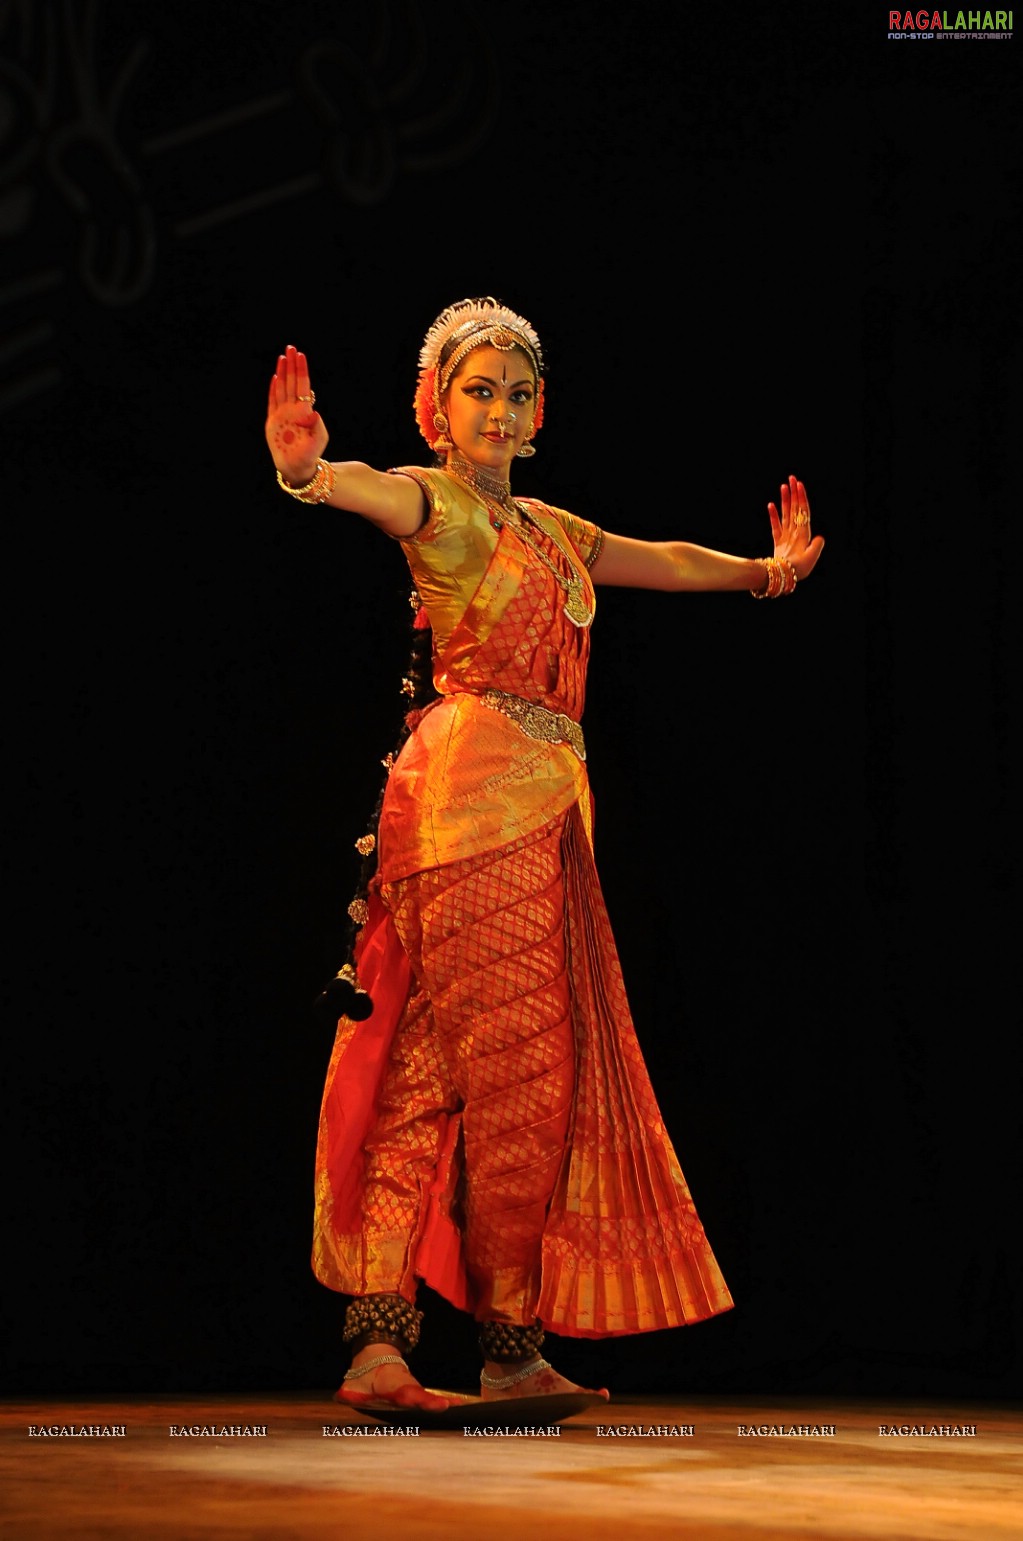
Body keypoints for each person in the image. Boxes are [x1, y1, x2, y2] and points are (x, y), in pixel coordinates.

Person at [265, 296, 824, 1416]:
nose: (499, 409)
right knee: (518, 1068)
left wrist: (764, 573)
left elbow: (661, 558)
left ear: (540, 411)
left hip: (543, 813)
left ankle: (417, 1343)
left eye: (517, 393)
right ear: (436, 406)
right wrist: (313, 475)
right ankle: (484, 1341)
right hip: (470, 801)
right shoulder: (440, 505)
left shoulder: (553, 531)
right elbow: (380, 492)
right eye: (478, 389)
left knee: (444, 1061)